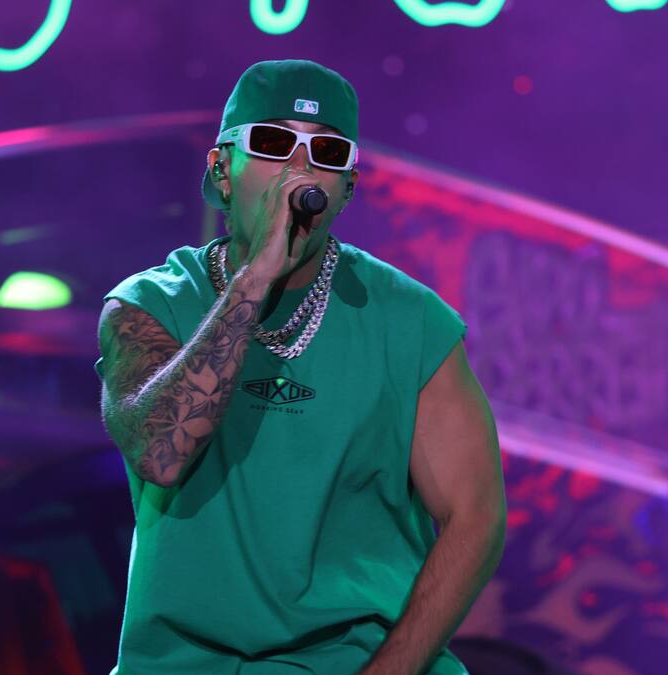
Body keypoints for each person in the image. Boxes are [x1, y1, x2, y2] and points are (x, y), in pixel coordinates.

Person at [95, 59, 506, 674]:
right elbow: (161, 454)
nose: (299, 166)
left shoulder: (411, 321)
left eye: (326, 152)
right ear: (222, 169)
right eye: (272, 142)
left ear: (347, 188)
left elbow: (476, 517)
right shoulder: (149, 304)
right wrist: (256, 275)